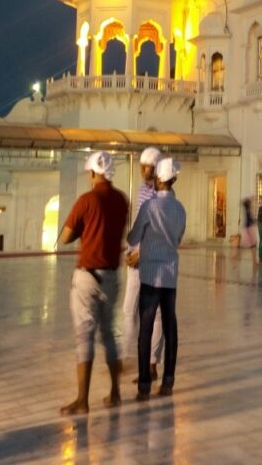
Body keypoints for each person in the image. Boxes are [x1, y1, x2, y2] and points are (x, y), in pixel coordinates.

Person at [59, 151, 129, 415]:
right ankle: (115, 393)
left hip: (87, 276)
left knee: (84, 336)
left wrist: (80, 229)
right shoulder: (122, 200)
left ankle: (82, 400)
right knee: (109, 334)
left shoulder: (86, 200)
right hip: (112, 276)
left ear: (91, 173)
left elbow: (65, 237)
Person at [128, 157, 186, 400]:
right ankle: (168, 381)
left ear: (158, 180)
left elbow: (133, 238)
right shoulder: (180, 209)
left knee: (146, 327)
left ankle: (144, 385)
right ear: (172, 180)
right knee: (170, 326)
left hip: (150, 275)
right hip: (170, 276)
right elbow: (179, 239)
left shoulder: (149, 207)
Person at [121, 147, 164, 383]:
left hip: (152, 260)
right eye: (141, 166)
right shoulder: (141, 191)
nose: (143, 171)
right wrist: (130, 250)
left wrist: (142, 252)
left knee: (155, 314)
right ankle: (128, 355)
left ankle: (151, 363)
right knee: (129, 310)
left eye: (147, 167)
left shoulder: (163, 196)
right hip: (135, 260)